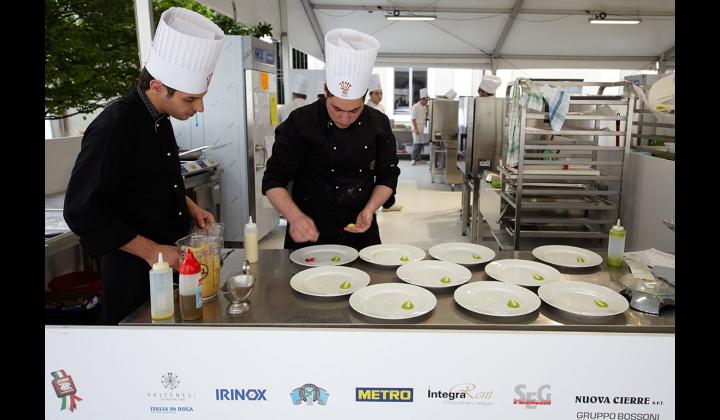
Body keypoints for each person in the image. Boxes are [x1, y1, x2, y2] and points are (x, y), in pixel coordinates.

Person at [63, 7, 225, 325]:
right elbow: (81, 210)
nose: (200, 107)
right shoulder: (115, 127)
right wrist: (153, 251)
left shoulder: (160, 118)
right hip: (134, 276)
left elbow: (154, 177)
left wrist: (189, 206)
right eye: (191, 99)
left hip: (171, 265)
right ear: (158, 87)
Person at [261, 28, 401, 250]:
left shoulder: (379, 124)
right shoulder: (300, 122)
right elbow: (273, 179)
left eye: (355, 111)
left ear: (365, 97)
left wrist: (370, 209)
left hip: (361, 227)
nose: (345, 118)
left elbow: (387, 176)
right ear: (326, 90)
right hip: (308, 229)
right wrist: (294, 217)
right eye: (337, 108)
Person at [410, 88, 430, 165]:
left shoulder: (425, 107)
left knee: (421, 144)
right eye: (426, 100)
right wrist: (416, 129)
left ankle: (418, 159)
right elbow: (413, 119)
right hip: (417, 127)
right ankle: (413, 159)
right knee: (416, 144)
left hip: (423, 127)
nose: (427, 102)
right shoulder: (415, 106)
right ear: (421, 99)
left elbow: (426, 117)